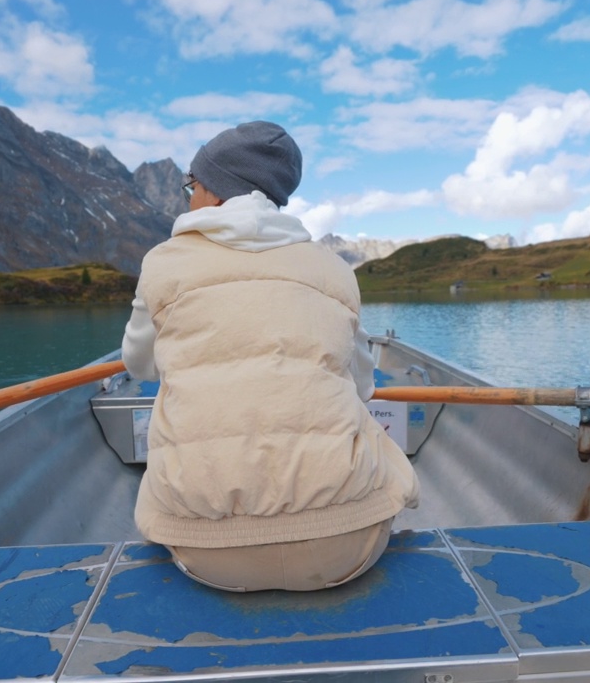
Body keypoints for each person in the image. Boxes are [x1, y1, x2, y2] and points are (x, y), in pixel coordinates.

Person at [121, 121, 419, 592]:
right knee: (360, 424)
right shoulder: (335, 270)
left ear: (216, 191)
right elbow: (362, 387)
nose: (188, 197)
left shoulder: (164, 262)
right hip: (346, 547)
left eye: (190, 186)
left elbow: (138, 366)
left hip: (206, 555)